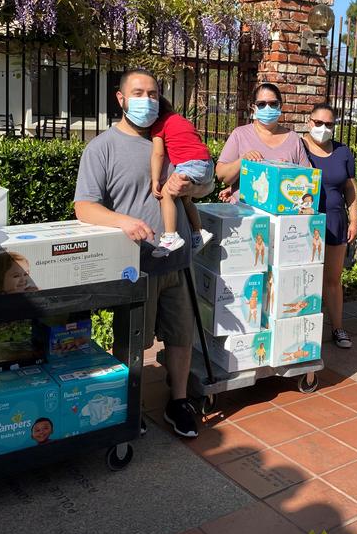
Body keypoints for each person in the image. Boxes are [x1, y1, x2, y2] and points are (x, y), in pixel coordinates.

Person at [74, 68, 214, 438]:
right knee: (133, 340)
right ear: (121, 99)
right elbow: (85, 207)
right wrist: (123, 221)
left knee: (182, 336)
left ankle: (179, 401)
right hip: (136, 267)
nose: (147, 100)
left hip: (178, 262)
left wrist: (197, 185)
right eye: (138, 93)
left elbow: (198, 187)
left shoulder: (169, 136)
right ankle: (128, 403)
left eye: (153, 94)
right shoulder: (101, 148)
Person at [301, 104, 357, 349]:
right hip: (304, 224)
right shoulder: (297, 147)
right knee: (303, 277)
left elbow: (350, 186)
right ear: (308, 121)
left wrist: (354, 218)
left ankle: (338, 328)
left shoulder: (343, 151)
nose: (323, 128)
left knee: (333, 278)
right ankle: (303, 330)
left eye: (329, 124)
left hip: (335, 221)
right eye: (318, 123)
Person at [215, 83, 309, 201]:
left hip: (282, 214)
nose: (267, 108)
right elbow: (222, 176)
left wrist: (289, 171)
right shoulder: (240, 134)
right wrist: (242, 161)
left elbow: (308, 180)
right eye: (262, 104)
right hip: (246, 215)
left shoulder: (294, 139)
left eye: (273, 104)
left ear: (280, 106)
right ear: (254, 108)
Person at [150, 96, 214, 256]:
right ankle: (198, 232)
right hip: (207, 163)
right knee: (186, 199)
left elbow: (158, 153)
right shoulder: (181, 120)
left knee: (166, 194)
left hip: (190, 164)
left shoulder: (159, 125)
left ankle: (171, 236)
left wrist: (156, 180)